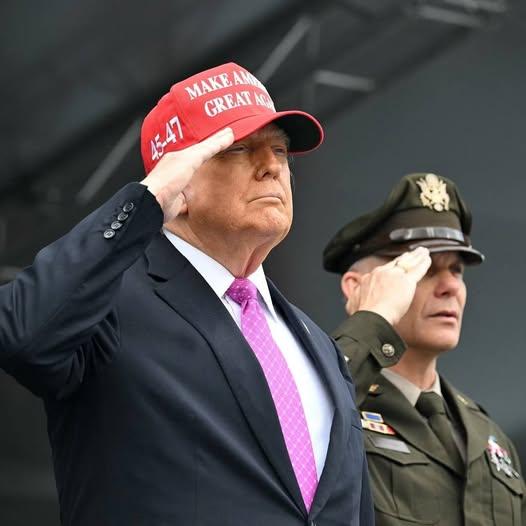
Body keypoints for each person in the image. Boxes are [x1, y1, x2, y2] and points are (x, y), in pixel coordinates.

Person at [0, 62, 373, 526]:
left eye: (280, 149)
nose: (272, 166)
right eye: (239, 148)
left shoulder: (317, 344)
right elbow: (23, 334)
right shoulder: (105, 304)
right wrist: (146, 200)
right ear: (178, 174)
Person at [323, 172, 525, 525]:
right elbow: (304, 411)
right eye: (425, 268)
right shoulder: (334, 407)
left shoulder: (490, 437)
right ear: (356, 287)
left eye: (457, 270)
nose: (450, 287)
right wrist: (372, 318)